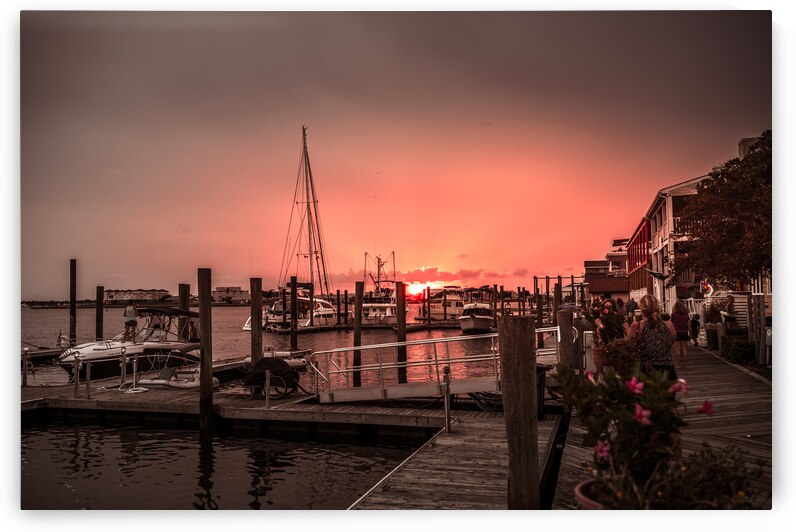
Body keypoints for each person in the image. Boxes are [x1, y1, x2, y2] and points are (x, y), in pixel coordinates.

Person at [628, 294, 677, 381]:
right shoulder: (669, 325)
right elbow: (672, 342)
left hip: (646, 372)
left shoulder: (637, 326)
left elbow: (628, 346)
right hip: (667, 372)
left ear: (642, 309)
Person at [670, 300, 690, 369]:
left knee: (677, 349)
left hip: (676, 332)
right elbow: (689, 325)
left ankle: (679, 364)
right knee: (685, 349)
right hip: (684, 332)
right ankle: (685, 365)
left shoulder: (674, 315)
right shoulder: (686, 315)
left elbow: (671, 324)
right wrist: (690, 333)